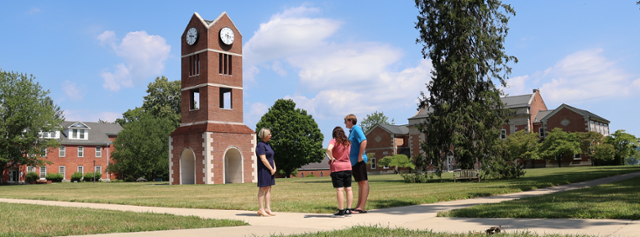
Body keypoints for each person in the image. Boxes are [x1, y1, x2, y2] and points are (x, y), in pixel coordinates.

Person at [344, 114, 369, 213]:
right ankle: (359, 206)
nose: (345, 123)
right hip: (354, 161)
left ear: (350, 121)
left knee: (363, 182)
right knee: (360, 183)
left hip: (359, 160)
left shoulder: (356, 129)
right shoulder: (352, 131)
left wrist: (360, 156)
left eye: (345, 121)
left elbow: (363, 141)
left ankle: (361, 207)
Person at [327, 126, 353, 218]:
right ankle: (348, 210)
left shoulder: (334, 141)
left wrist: (332, 157)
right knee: (348, 189)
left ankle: (341, 211)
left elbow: (329, 149)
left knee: (339, 189)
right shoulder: (348, 143)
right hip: (348, 166)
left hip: (337, 167)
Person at [256, 128, 276, 217]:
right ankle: (261, 209)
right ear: (264, 135)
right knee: (262, 189)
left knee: (269, 188)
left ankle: (267, 208)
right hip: (264, 170)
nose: (270, 136)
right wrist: (270, 169)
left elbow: (272, 157)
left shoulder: (268, 145)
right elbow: (263, 159)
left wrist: (274, 167)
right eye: (269, 134)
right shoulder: (260, 145)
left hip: (270, 170)